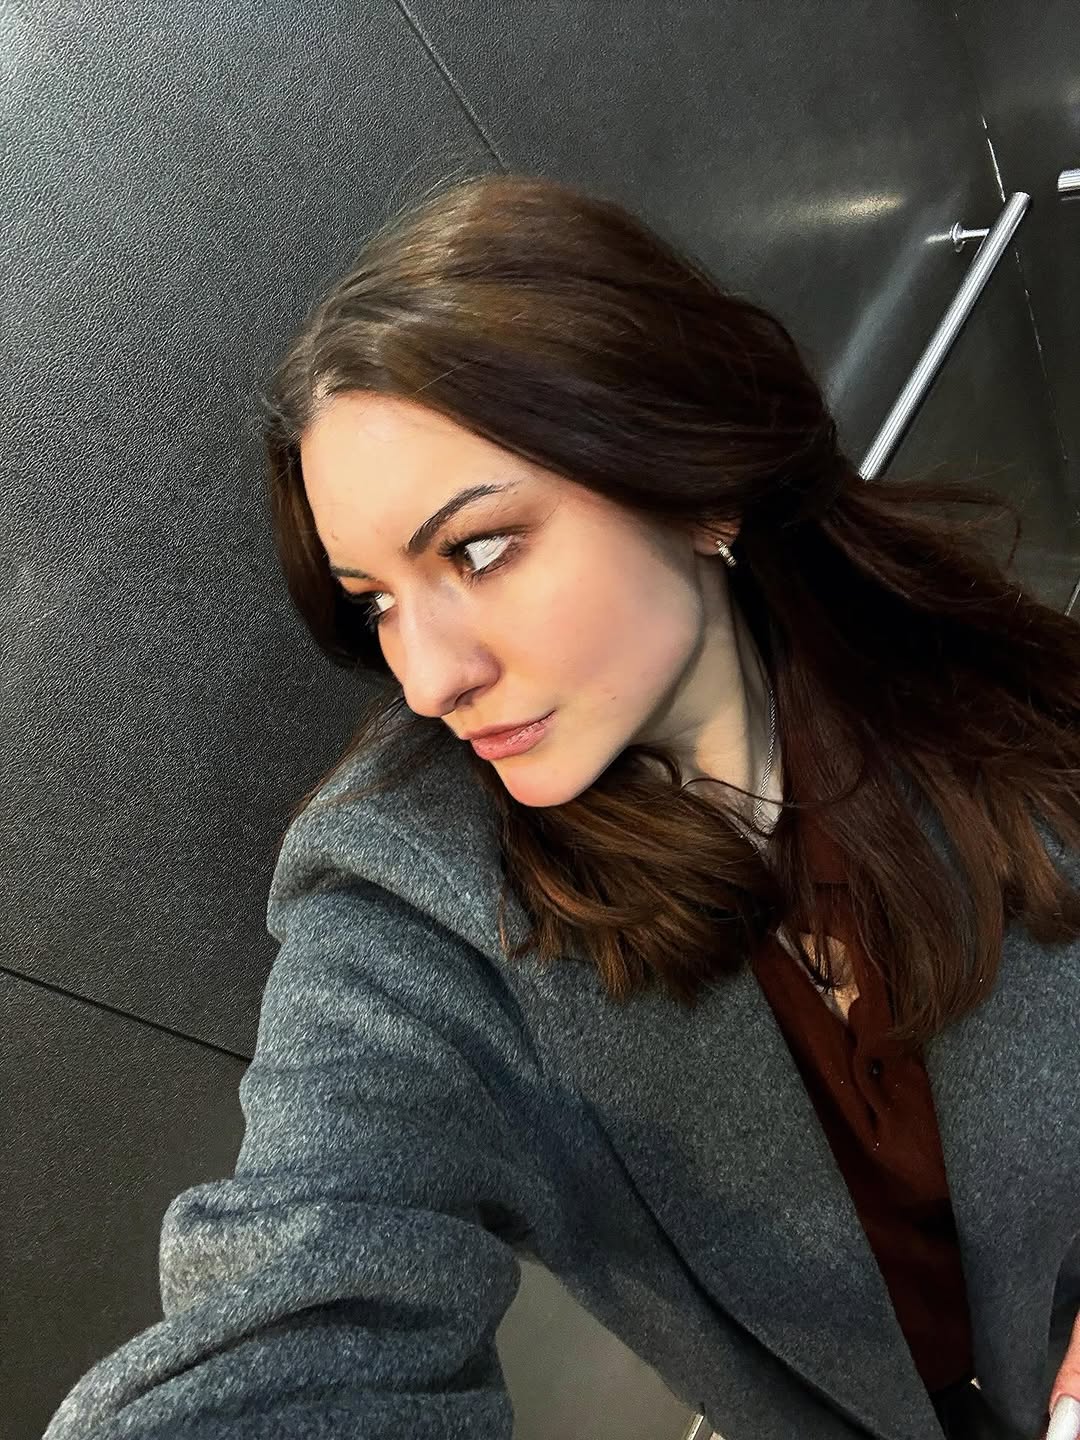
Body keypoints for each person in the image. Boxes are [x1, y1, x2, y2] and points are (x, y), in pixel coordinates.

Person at [43, 172, 1080, 1440]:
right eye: (374, 603)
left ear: (697, 484)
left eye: (478, 551)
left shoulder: (932, 664)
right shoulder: (414, 899)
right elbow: (301, 1303)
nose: (427, 681)